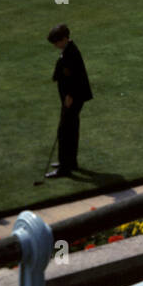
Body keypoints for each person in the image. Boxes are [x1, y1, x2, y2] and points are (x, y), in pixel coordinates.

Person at [46, 24, 93, 178]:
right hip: (72, 97)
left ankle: (64, 167)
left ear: (64, 39)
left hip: (72, 98)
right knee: (70, 129)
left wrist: (69, 96)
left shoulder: (70, 53)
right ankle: (70, 161)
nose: (55, 45)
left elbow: (74, 77)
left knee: (65, 131)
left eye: (57, 42)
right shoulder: (68, 50)